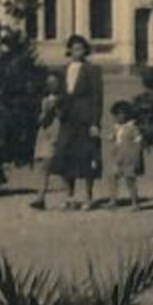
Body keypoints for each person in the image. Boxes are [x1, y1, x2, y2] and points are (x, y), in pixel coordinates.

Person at [45, 35, 103, 209]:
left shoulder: (92, 70)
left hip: (85, 119)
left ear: (86, 50)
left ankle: (88, 196)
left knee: (86, 157)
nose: (78, 52)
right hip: (67, 118)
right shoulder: (64, 70)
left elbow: (97, 97)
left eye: (81, 48)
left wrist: (95, 122)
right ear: (69, 50)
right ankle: (69, 196)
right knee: (64, 155)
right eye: (74, 48)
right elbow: (60, 93)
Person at [29, 74, 61, 210]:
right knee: (41, 164)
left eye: (54, 82)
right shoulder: (44, 99)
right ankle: (40, 197)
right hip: (44, 132)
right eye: (49, 82)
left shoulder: (63, 99)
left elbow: (62, 115)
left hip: (55, 130)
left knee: (49, 162)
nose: (51, 85)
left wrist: (54, 109)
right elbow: (40, 119)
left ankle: (69, 196)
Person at [108, 100, 145, 210]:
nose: (117, 118)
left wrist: (137, 157)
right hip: (118, 157)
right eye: (116, 115)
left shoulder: (132, 128)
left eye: (120, 114)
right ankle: (113, 200)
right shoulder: (116, 128)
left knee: (130, 180)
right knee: (113, 177)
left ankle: (135, 202)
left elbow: (139, 142)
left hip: (129, 158)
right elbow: (112, 138)